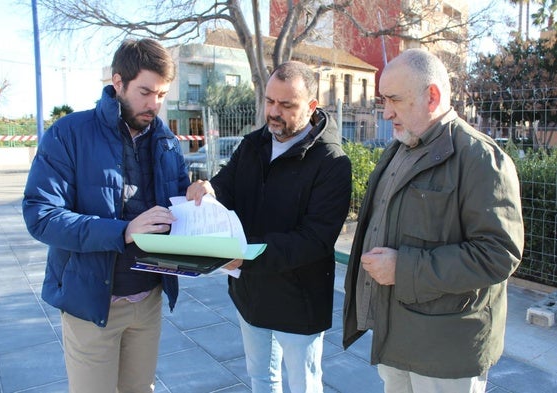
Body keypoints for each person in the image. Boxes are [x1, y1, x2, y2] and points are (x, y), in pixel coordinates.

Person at [342, 48, 524, 393]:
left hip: (445, 354)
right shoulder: (399, 148)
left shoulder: (480, 158)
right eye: (384, 100)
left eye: (394, 99)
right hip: (394, 337)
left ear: (433, 96)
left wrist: (404, 268)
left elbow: (499, 254)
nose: (386, 112)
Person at [23, 38, 190, 393]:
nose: (155, 105)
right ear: (118, 82)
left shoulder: (167, 141)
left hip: (148, 300)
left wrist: (200, 199)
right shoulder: (69, 134)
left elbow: (179, 211)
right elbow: (40, 214)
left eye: (162, 94)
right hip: (91, 303)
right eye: (146, 92)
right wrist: (123, 230)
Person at [186, 60, 352, 393]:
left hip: (299, 298)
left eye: (286, 105)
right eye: (269, 101)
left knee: (304, 385)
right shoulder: (253, 144)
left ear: (311, 106)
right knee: (261, 379)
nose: (274, 112)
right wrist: (210, 189)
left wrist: (244, 256)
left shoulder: (332, 162)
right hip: (251, 293)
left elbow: (314, 240)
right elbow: (227, 184)